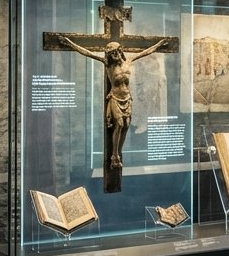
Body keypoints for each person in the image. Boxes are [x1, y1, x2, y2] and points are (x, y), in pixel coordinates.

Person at [58, 35, 170, 170]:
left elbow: (145, 52)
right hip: (115, 99)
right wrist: (70, 44)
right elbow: (87, 52)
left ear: (121, 51)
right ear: (109, 54)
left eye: (117, 51)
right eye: (112, 53)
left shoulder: (128, 61)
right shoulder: (108, 64)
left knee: (126, 125)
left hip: (127, 98)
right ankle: (114, 155)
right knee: (119, 124)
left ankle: (119, 152)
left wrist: (159, 45)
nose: (115, 54)